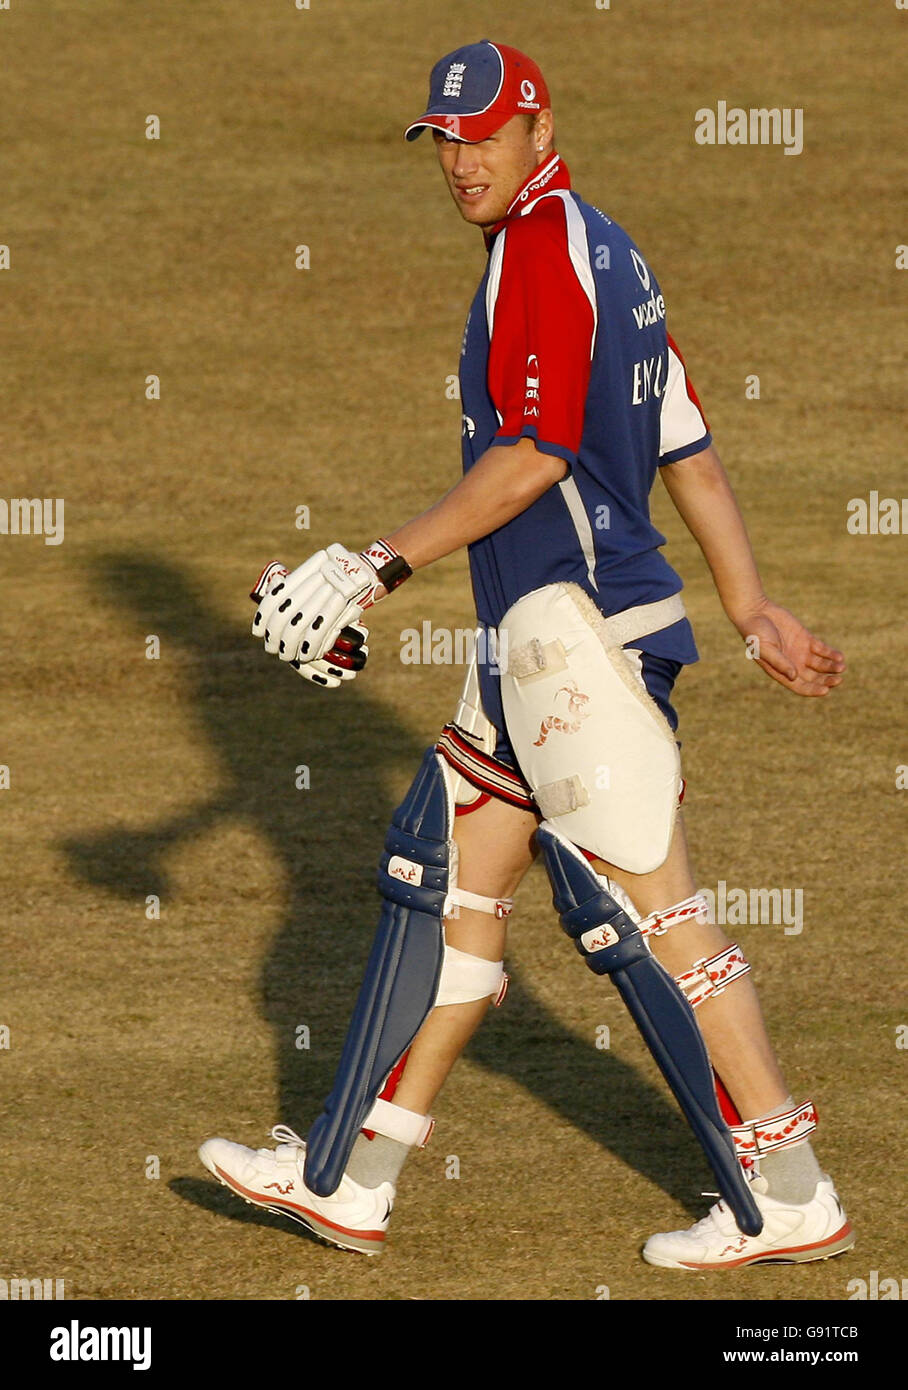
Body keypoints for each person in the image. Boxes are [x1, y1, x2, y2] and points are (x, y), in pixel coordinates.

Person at [200, 40, 854, 1270]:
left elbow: (534, 457)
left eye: (484, 134)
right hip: (535, 646)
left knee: (644, 917)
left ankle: (790, 1192)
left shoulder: (546, 255)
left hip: (580, 643)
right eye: (443, 141)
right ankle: (354, 1179)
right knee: (442, 886)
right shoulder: (600, 246)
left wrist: (373, 565)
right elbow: (689, 449)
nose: (461, 162)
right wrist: (749, 602)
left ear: (536, 125)